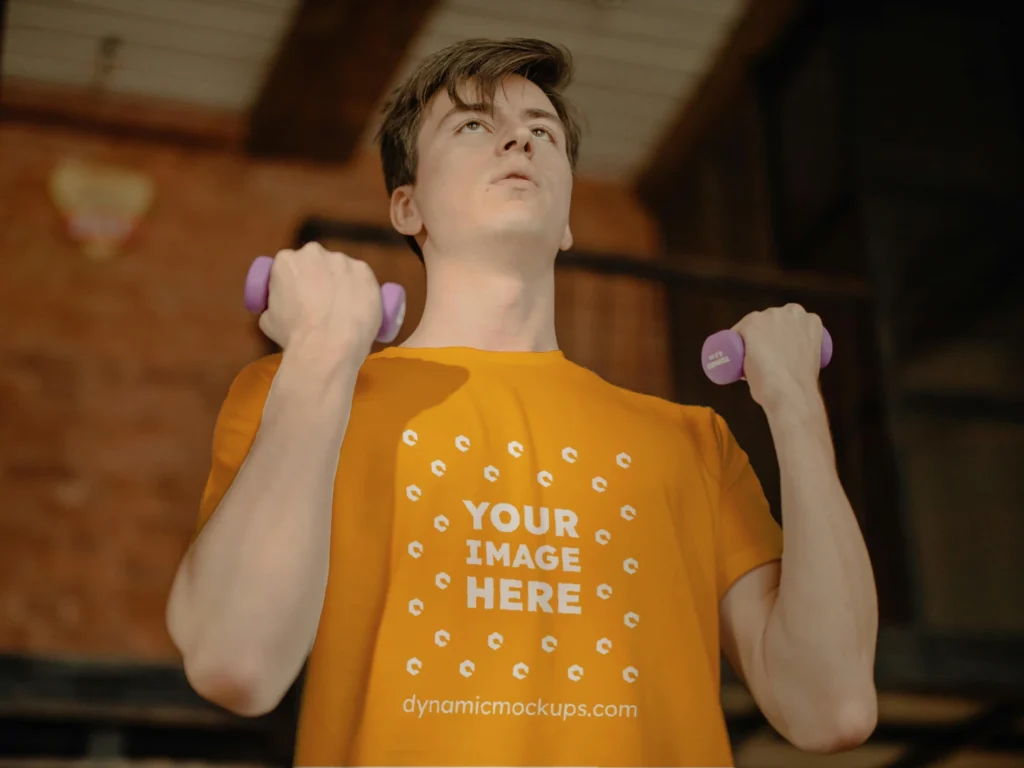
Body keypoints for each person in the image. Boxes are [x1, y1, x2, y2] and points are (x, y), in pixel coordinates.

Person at [166, 38, 878, 767]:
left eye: (543, 131)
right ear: (406, 207)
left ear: (567, 218)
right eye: (473, 125)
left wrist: (795, 406)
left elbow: (831, 708)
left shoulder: (693, 442)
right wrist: (318, 354)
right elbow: (235, 661)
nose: (518, 138)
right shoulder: (304, 395)